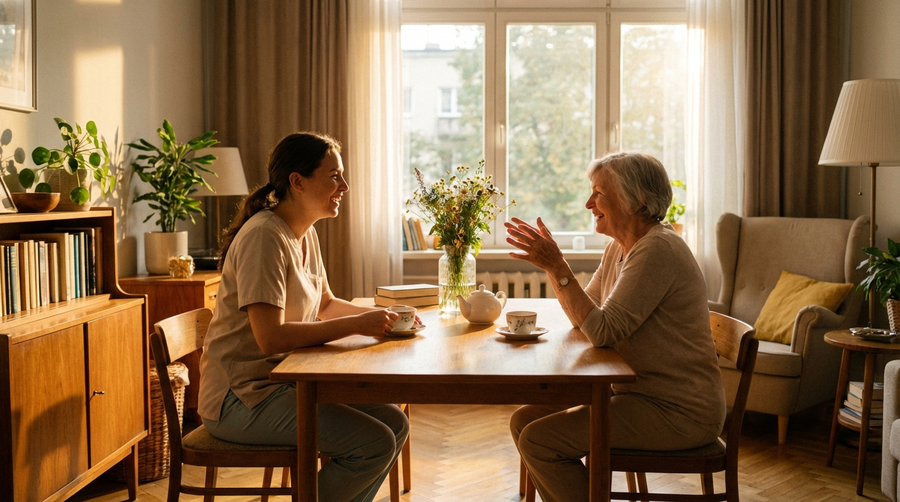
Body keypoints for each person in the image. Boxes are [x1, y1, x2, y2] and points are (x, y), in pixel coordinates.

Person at [198, 132, 409, 502]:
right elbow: (271, 338)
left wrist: (385, 316)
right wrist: (359, 325)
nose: (344, 186)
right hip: (241, 398)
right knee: (373, 444)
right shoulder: (264, 237)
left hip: (282, 385)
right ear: (297, 181)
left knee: (394, 422)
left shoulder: (304, 232)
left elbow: (324, 303)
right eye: (334, 176)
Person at [505, 152, 725, 502]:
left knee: (538, 440)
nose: (589, 203)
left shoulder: (658, 250)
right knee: (523, 422)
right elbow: (584, 317)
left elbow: (602, 331)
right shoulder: (619, 248)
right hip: (634, 395)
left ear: (637, 200)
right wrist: (552, 266)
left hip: (678, 411)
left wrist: (557, 265)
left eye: (599, 193)